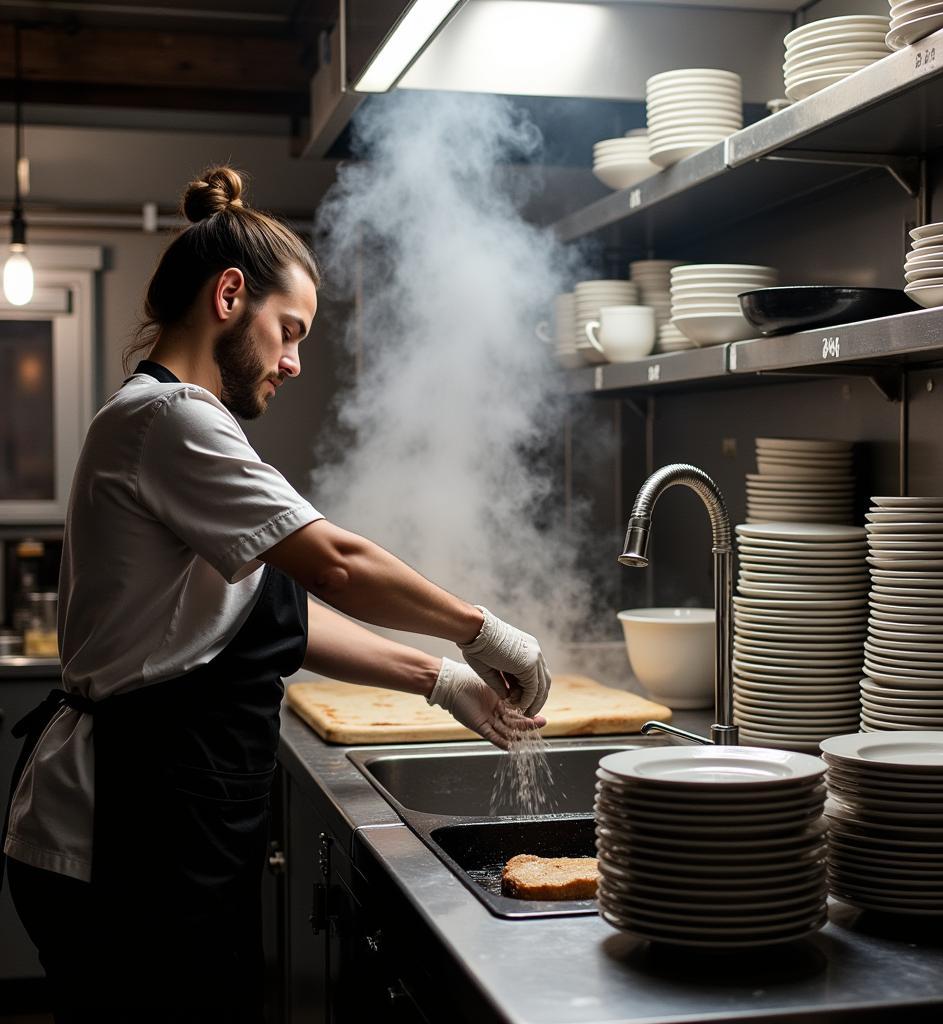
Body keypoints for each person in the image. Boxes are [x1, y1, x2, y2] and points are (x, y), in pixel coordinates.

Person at [1, 166, 550, 1022]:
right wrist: (481, 630)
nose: (294, 362)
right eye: (288, 331)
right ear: (229, 296)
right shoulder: (170, 419)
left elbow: (280, 613)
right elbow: (334, 562)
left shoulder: (178, 426)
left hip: (166, 822)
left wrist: (444, 681)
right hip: (126, 835)